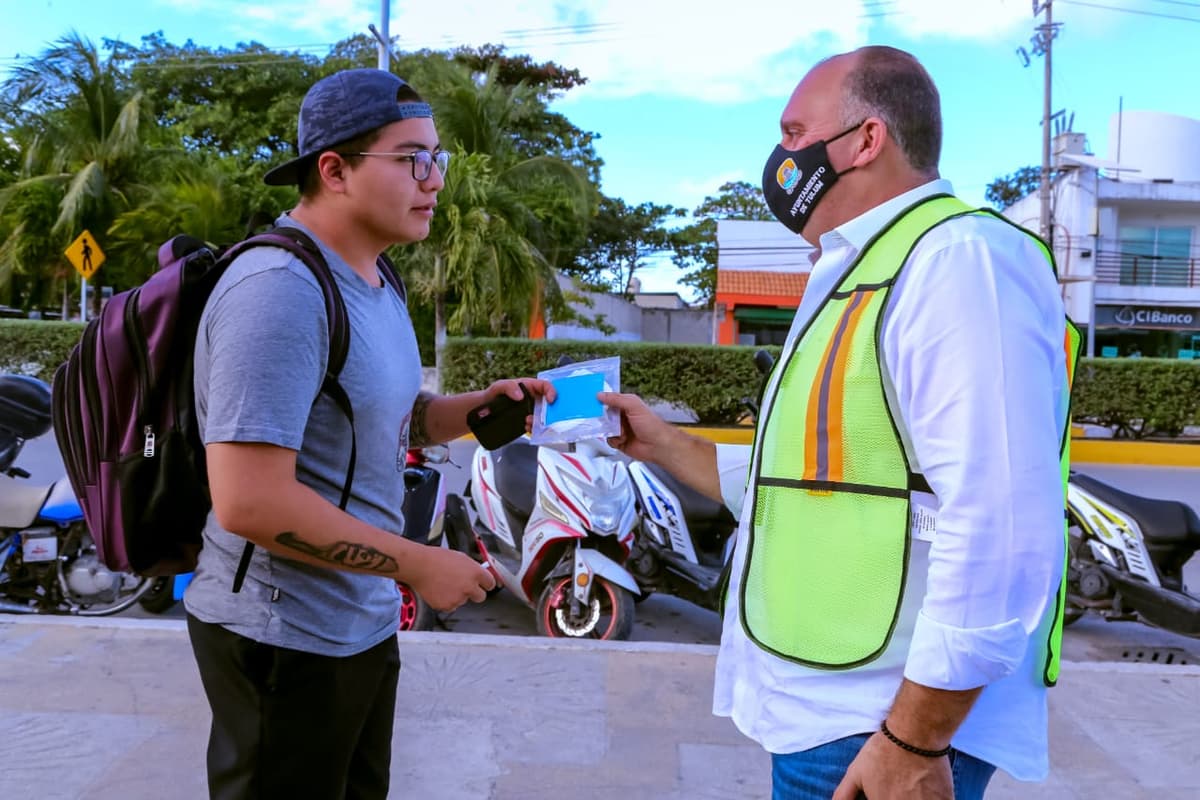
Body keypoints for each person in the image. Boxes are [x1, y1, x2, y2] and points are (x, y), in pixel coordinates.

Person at [601, 46, 1073, 800]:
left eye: (794, 133)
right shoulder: (855, 269)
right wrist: (661, 442)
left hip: (879, 727)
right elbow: (806, 484)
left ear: (865, 140)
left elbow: (1001, 525)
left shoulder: (956, 259)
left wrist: (913, 742)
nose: (780, 157)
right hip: (827, 716)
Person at [183, 68, 553, 800]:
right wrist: (417, 564)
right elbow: (249, 501)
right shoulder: (278, 291)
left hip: (358, 619)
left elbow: (391, 416)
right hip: (279, 638)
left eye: (437, 158)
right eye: (413, 158)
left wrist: (481, 407)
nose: (435, 180)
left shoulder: (379, 279)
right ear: (335, 170)